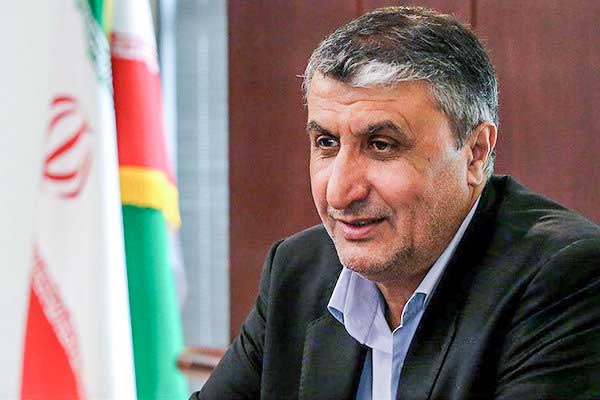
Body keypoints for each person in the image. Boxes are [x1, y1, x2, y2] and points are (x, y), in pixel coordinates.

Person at [192, 6, 600, 400]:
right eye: (327, 142)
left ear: (475, 153)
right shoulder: (297, 271)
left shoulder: (565, 278)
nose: (339, 192)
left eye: (381, 145)